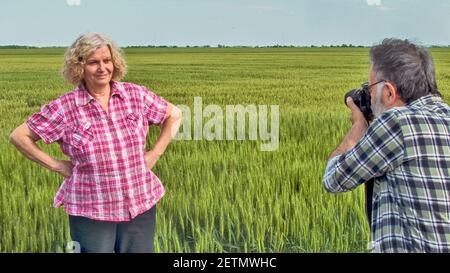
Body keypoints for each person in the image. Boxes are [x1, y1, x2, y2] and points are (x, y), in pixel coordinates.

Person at [9, 33, 182, 253]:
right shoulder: (65, 107)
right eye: (93, 62)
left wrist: (155, 153)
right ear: (79, 67)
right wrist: (57, 165)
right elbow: (19, 136)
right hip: (92, 208)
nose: (102, 68)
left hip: (140, 201)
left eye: (106, 61)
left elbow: (174, 114)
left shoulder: (134, 95)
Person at [323, 38, 450, 252]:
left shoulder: (396, 123)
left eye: (371, 88)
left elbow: (333, 179)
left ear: (389, 92)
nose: (369, 95)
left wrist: (358, 130)